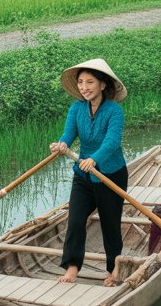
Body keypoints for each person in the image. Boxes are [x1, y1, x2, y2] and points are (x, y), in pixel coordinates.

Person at [49, 58, 128, 287]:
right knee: (74, 220)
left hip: (110, 174)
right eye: (81, 82)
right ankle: (72, 267)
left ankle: (113, 268)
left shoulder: (114, 111)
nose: (84, 87)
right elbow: (69, 134)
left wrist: (95, 159)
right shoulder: (76, 108)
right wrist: (61, 145)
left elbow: (112, 141)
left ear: (103, 85)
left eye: (90, 82)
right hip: (82, 176)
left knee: (110, 224)